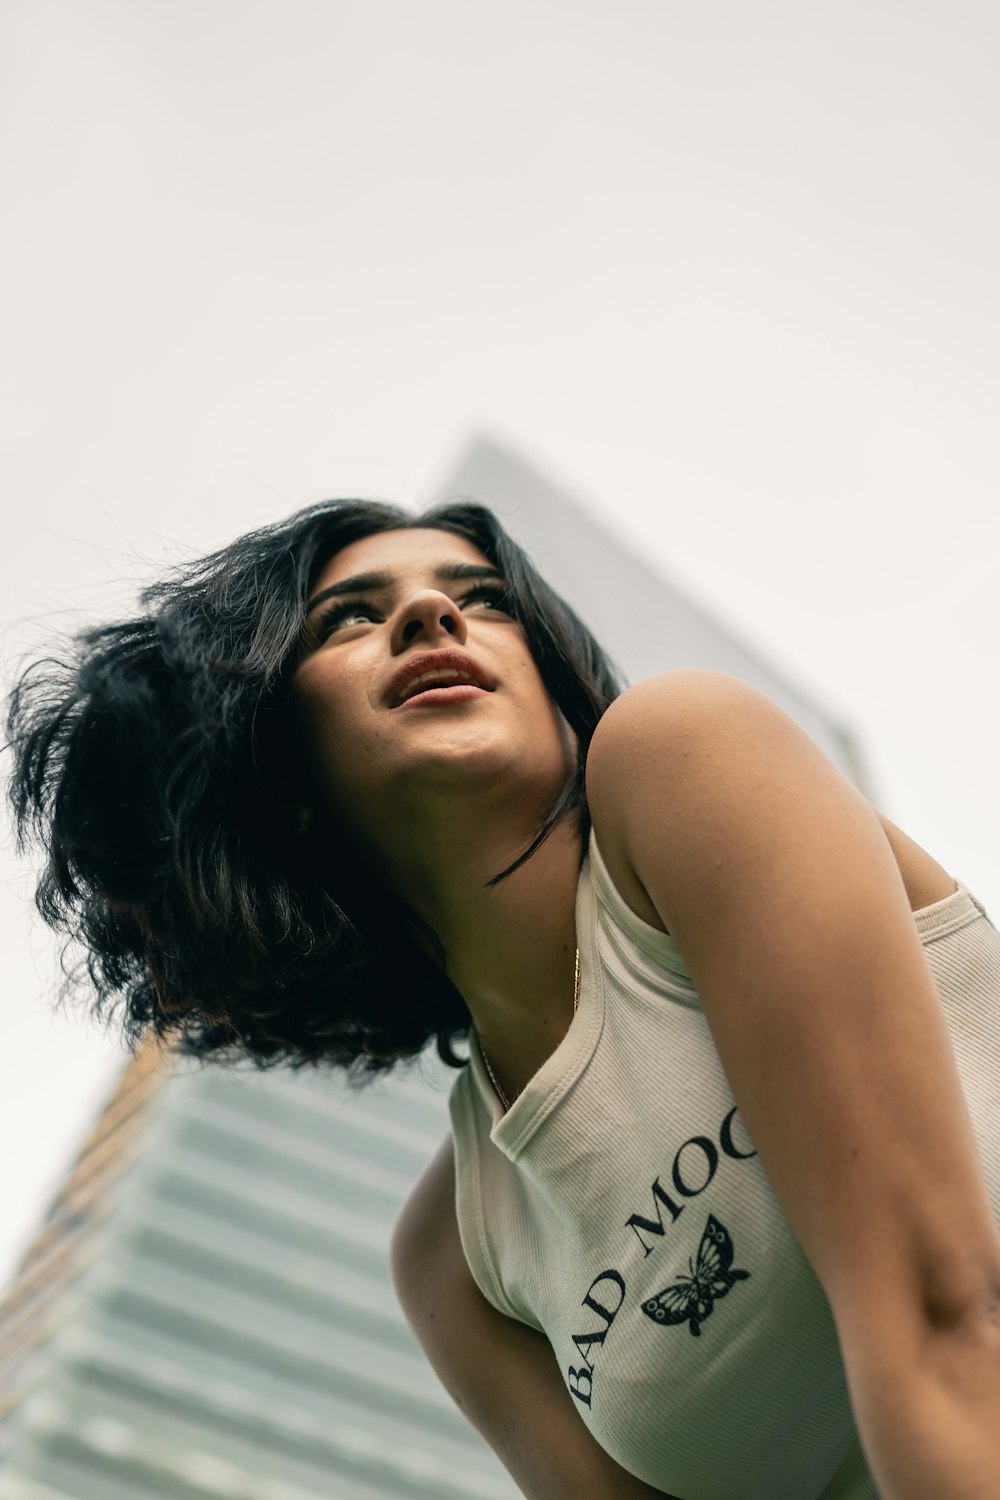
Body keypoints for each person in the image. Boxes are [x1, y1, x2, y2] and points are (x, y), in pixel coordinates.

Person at [7, 497, 1000, 1500]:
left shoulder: (682, 754)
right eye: (349, 616)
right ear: (284, 780)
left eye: (483, 600)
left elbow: (948, 1320)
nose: (433, 615)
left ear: (559, 695)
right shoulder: (453, 1265)